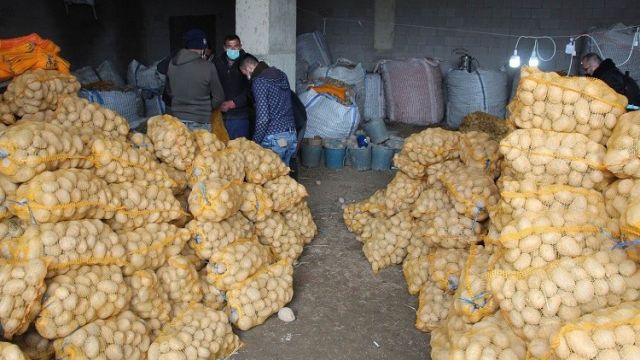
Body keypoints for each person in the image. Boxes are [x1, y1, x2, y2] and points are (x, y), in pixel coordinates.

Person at [239, 55, 297, 166]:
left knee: (271, 180)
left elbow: (263, 118)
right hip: (290, 134)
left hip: (274, 137)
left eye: (245, 73)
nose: (247, 76)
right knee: (283, 179)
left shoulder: (259, 82)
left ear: (248, 69)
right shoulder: (281, 75)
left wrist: (255, 142)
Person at [165, 29, 225, 130]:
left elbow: (169, 91)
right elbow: (219, 97)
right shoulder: (208, 66)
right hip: (200, 121)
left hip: (177, 122)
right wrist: (205, 108)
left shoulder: (172, 64)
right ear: (203, 48)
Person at [213, 35, 252, 139]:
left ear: (240, 46)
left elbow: (252, 89)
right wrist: (216, 103)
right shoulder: (217, 62)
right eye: (230, 46)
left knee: (239, 150)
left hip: (240, 116)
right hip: (220, 115)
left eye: (236, 46)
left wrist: (234, 103)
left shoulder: (248, 61)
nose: (233, 49)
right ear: (224, 48)